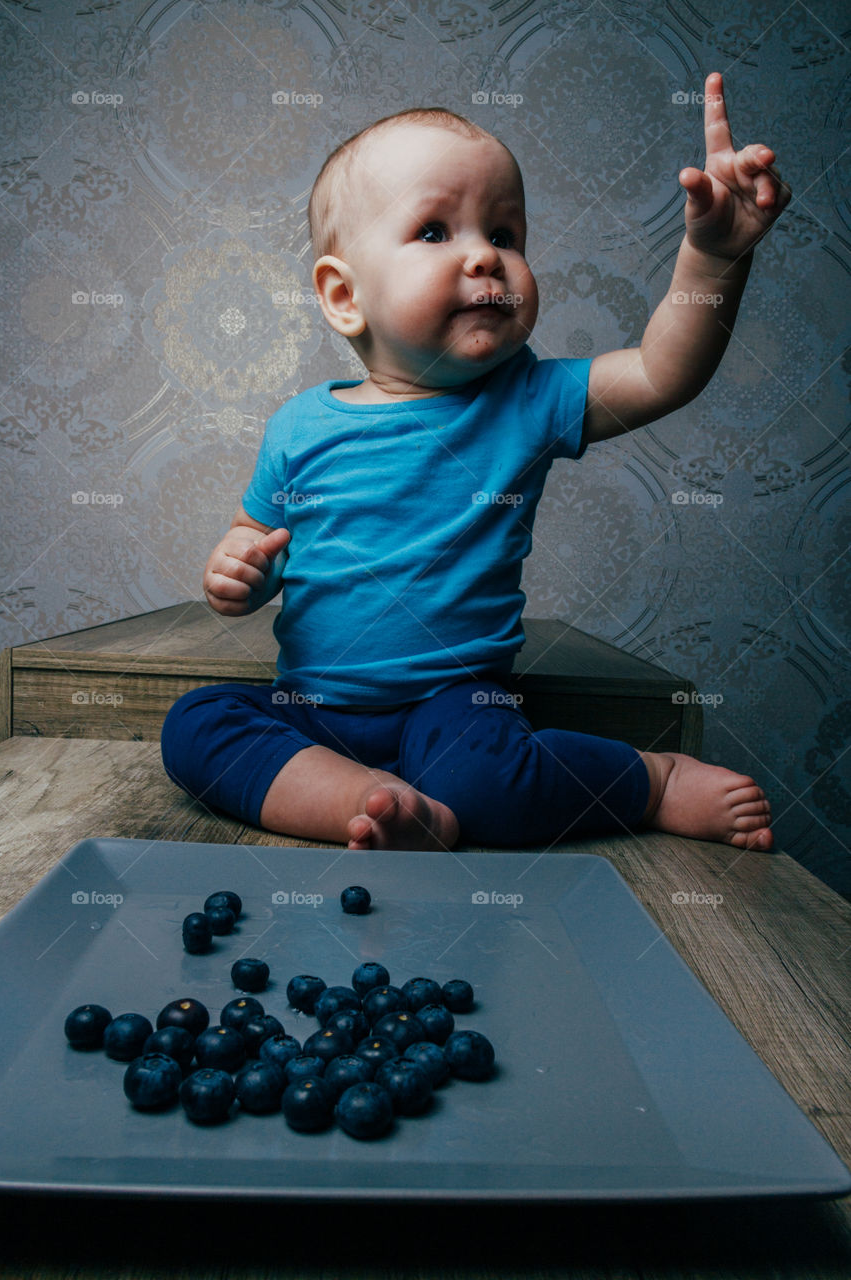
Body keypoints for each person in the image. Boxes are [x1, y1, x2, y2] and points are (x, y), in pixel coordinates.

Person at [161, 72, 789, 853]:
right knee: (194, 724)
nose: (484, 259)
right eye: (434, 231)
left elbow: (665, 371)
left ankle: (649, 779)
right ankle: (363, 796)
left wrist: (712, 259)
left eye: (503, 234)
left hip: (458, 706)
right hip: (313, 706)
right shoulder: (298, 427)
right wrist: (238, 568)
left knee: (485, 784)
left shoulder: (527, 399)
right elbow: (253, 533)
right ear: (342, 295)